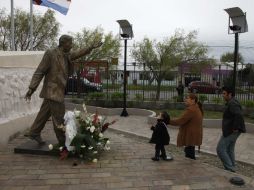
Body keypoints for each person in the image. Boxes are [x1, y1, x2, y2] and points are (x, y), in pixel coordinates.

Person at [24, 34, 102, 146]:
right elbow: (40, 71)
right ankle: (63, 143)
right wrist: (32, 88)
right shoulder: (51, 53)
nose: (71, 45)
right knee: (59, 118)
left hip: (58, 90)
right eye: (70, 43)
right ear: (63, 43)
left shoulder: (67, 55)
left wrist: (90, 47)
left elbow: (78, 53)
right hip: (52, 90)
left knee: (44, 113)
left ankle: (34, 132)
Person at [216, 86, 246, 172]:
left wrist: (235, 128)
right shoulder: (232, 101)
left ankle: (230, 168)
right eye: (223, 93)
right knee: (229, 149)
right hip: (231, 130)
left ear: (230, 94)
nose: (223, 95)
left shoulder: (232, 103)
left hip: (232, 131)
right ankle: (232, 167)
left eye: (224, 94)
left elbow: (238, 115)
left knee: (220, 149)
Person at [169, 93, 203, 159]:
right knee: (190, 152)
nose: (185, 99)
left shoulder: (191, 110)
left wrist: (167, 121)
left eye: (187, 98)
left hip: (190, 136)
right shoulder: (196, 107)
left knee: (189, 155)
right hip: (192, 135)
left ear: (193, 100)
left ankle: (191, 167)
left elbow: (180, 120)